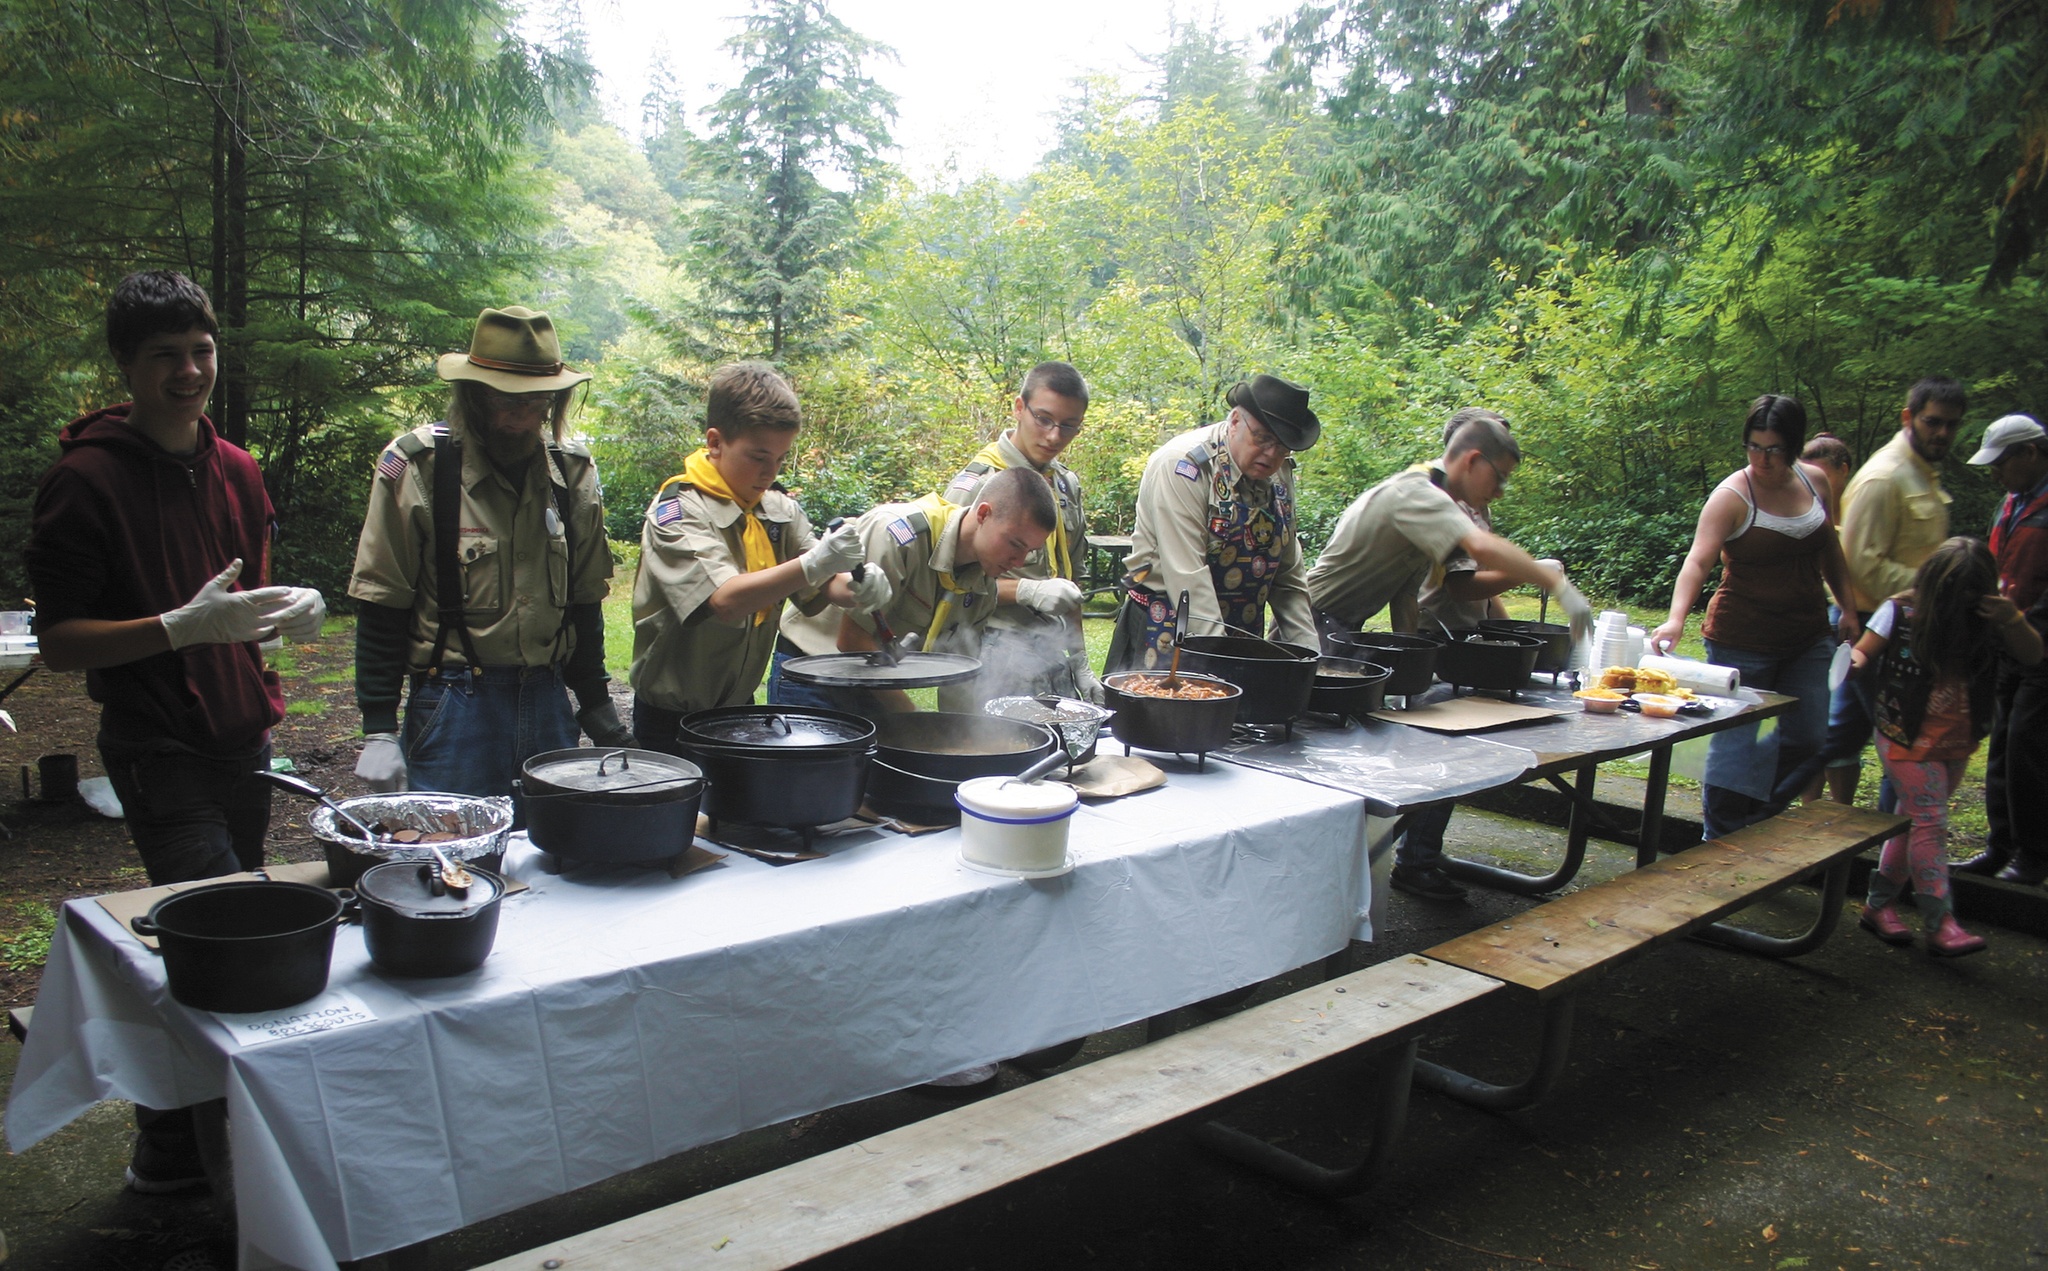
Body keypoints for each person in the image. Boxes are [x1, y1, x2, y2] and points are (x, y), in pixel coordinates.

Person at [26, 269, 326, 1195]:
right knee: (223, 945)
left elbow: (245, 596)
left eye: (201, 351)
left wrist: (285, 613)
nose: (190, 371)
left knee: (215, 940)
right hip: (158, 744)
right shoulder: (85, 480)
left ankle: (169, 1134)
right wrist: (174, 628)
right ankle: (209, 1162)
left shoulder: (235, 466)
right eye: (166, 357)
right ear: (127, 366)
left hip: (241, 733)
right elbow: (62, 642)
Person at [1306, 410, 1592, 901]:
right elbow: (1478, 547)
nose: (1500, 491)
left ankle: (1399, 860)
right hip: (1313, 629)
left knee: (1420, 737)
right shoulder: (1417, 493)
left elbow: (1404, 592)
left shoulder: (1436, 501)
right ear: (1473, 459)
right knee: (1316, 760)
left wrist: (1414, 668)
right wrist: (1554, 582)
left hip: (1345, 632)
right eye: (1498, 477)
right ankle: (1321, 880)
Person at [349, 306, 632, 802]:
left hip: (547, 699)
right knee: (454, 862)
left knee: (552, 857)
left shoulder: (572, 475)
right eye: (506, 399)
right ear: (474, 394)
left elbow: (584, 603)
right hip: (454, 702)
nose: (522, 415)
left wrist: (595, 705)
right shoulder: (420, 468)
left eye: (537, 400)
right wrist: (377, 726)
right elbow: (382, 600)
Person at [627, 363, 891, 754]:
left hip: (738, 708)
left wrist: (856, 587)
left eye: (782, 459)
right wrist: (816, 563)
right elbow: (726, 600)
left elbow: (820, 581)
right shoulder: (679, 512)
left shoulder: (777, 510)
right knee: (676, 814)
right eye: (758, 457)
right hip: (671, 717)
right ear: (715, 442)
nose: (770, 473)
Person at [1649, 395, 1860, 841]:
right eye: (1754, 447)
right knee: (1735, 747)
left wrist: (1848, 606)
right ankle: (1720, 837)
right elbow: (1697, 561)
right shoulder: (1731, 497)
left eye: (1774, 449)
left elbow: (1829, 550)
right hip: (1741, 638)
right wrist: (1674, 619)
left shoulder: (1816, 481)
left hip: (1807, 635)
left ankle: (1755, 818)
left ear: (1794, 446)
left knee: (1810, 739)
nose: (1762, 459)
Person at [1851, 537, 2041, 954]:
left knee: (1912, 820)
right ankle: (1941, 922)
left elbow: (2032, 655)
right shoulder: (1900, 611)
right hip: (1904, 736)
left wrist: (2012, 619)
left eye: (1974, 592)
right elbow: (1864, 652)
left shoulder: (1990, 616)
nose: (1964, 601)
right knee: (1931, 822)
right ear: (1934, 584)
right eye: (1956, 592)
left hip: (1958, 738)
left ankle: (1877, 906)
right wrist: (1850, 663)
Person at [770, 467, 1057, 716]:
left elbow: (961, 676)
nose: (1018, 562)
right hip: (812, 675)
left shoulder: (983, 584)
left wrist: (966, 739)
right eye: (1015, 544)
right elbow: (852, 640)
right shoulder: (899, 535)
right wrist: (914, 719)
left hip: (874, 684)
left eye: (1029, 552)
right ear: (983, 513)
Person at [1813, 378, 1965, 805]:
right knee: (1904, 742)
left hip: (1907, 630)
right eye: (1932, 422)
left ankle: (1868, 847)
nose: (1941, 433)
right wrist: (1941, 587)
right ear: (1908, 417)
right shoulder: (1885, 477)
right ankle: (1887, 853)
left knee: (1841, 737)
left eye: (1951, 425)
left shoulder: (1921, 474)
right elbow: (1860, 565)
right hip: (1876, 630)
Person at [1106, 375, 1319, 673]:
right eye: (1263, 439)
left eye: (1283, 447)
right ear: (1234, 421)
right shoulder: (1183, 466)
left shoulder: (1280, 472)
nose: (1272, 454)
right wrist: (1223, 666)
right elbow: (1187, 577)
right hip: (1164, 628)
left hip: (1238, 637)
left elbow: (1289, 577)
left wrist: (1310, 658)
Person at [939, 362, 1096, 704]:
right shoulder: (980, 485)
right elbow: (946, 582)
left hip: (1050, 652)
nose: (1055, 436)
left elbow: (1072, 584)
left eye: (1069, 426)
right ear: (1019, 408)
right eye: (1044, 419)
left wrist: (1080, 660)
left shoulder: (1066, 486)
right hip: (988, 652)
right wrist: (1026, 590)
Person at [1956, 414, 2048, 884]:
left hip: (2039, 647)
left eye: (2002, 462)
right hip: (2004, 645)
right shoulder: (2012, 503)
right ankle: (2000, 846)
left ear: (2030, 453)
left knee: (2027, 751)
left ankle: (2033, 857)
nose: (1995, 473)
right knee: (2001, 746)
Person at [1801, 433, 1854, 526]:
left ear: (1843, 470)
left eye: (1823, 478)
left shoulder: (1861, 512)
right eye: (1806, 480)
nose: (1813, 488)